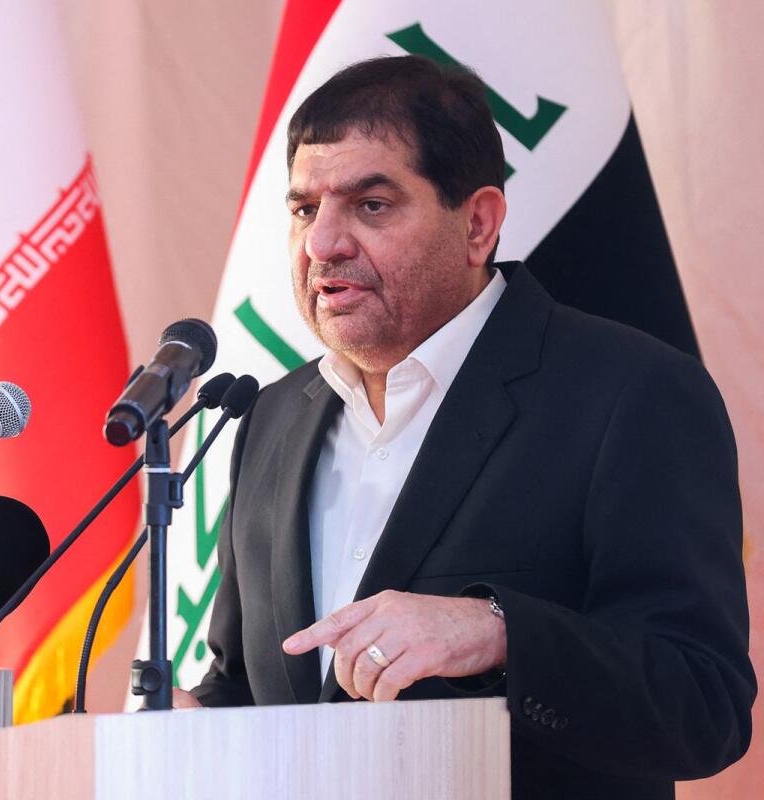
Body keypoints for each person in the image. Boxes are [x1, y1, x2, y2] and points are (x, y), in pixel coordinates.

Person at [174, 56, 755, 798]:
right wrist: (188, 723)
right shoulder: (269, 417)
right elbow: (247, 685)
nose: (322, 244)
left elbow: (701, 703)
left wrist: (498, 633)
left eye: (371, 204)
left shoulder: (630, 393)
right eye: (304, 210)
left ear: (478, 224)